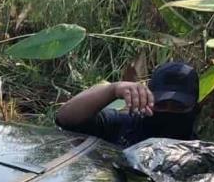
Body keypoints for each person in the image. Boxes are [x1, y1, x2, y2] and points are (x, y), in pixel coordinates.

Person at [55, 61, 200, 147]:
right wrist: (113, 90)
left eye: (178, 106)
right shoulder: (123, 126)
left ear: (194, 108)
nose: (169, 111)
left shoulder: (201, 154)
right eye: (161, 105)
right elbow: (65, 118)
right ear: (149, 101)